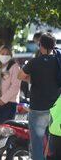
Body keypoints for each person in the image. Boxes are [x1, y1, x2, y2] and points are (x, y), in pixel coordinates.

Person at [18, 32, 61, 160]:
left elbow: (19, 76)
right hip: (55, 108)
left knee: (37, 142)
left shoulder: (34, 62)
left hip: (37, 107)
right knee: (53, 140)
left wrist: (31, 78)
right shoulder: (58, 63)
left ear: (40, 45)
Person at [0, 46, 21, 126]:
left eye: (7, 54)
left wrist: (3, 100)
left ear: (11, 55)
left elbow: (15, 86)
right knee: (0, 128)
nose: (5, 55)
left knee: (8, 127)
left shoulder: (15, 67)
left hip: (10, 102)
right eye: (2, 53)